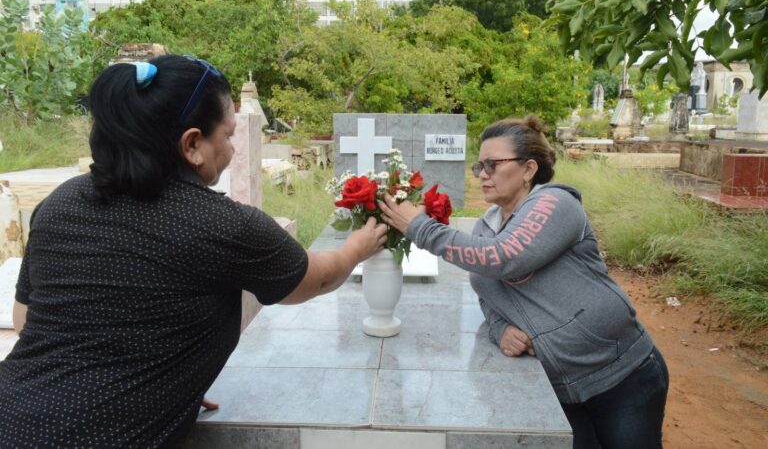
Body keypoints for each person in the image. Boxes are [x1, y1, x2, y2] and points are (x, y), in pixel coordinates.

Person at [0, 55, 386, 447]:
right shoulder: (221, 225)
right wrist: (358, 246)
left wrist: (163, 377)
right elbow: (315, 277)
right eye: (228, 135)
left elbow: (28, 318)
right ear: (193, 144)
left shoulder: (62, 202)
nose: (233, 149)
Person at [378, 115, 669, 449]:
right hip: (557, 384)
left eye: (493, 164)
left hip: (621, 375)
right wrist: (500, 328)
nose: (483, 174)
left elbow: (502, 258)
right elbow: (487, 291)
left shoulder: (555, 203)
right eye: (480, 166)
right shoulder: (486, 227)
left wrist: (420, 227)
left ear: (529, 169)